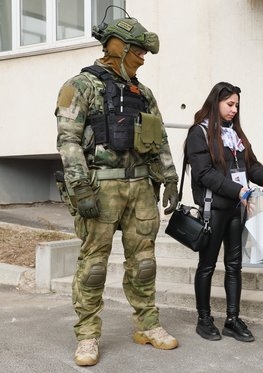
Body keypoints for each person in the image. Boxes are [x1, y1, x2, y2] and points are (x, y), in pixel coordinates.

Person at [55, 13, 179, 366]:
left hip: (141, 186)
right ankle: (87, 335)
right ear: (117, 47)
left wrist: (169, 178)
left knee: (144, 263)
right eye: (138, 51)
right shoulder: (79, 86)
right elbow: (68, 140)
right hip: (99, 188)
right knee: (94, 266)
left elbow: (160, 139)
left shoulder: (143, 92)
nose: (142, 58)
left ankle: (148, 325)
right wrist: (80, 188)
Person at [184, 82, 263, 343]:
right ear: (216, 102)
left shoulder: (234, 134)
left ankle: (232, 319)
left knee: (234, 266)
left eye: (237, 105)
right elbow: (204, 174)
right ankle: (204, 319)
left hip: (236, 209)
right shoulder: (199, 133)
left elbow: (251, 166)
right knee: (206, 265)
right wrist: (237, 190)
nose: (234, 110)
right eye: (230, 104)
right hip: (213, 209)